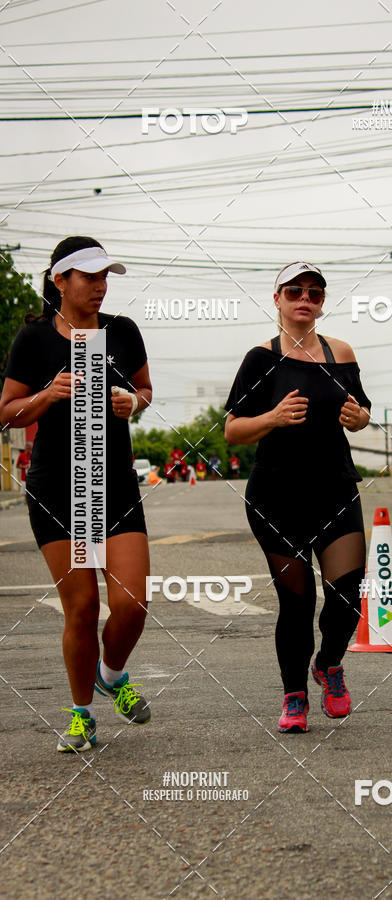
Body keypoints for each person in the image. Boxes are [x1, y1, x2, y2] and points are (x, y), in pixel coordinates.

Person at [0, 236, 153, 752]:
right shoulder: (36, 339)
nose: (100, 286)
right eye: (89, 277)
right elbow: (6, 411)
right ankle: (81, 713)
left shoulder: (122, 332)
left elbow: (145, 391)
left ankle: (111, 673)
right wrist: (46, 395)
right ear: (59, 280)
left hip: (114, 484)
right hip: (57, 489)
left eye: (105, 276)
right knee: (83, 607)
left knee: (131, 603)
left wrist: (133, 401)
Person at [225, 261, 371, 733]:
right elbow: (232, 430)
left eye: (314, 292)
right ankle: (293, 698)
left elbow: (362, 408)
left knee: (347, 595)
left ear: (322, 302)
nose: (304, 299)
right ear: (278, 300)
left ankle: (329, 663)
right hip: (276, 496)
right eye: (294, 291)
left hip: (335, 488)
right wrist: (272, 418)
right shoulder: (259, 358)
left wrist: (359, 418)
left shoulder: (341, 352)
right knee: (297, 602)